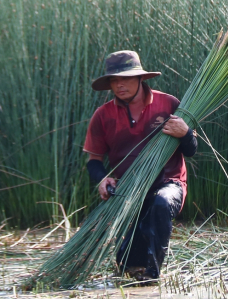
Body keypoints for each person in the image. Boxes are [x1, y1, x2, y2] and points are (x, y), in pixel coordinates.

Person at [83, 50, 198, 281]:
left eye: (125, 78)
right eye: (114, 80)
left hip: (169, 183)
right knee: (128, 265)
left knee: (160, 203)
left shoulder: (169, 104)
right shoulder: (103, 115)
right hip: (129, 191)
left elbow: (191, 150)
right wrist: (103, 180)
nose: (119, 85)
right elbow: (93, 161)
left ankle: (153, 276)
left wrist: (185, 133)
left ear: (140, 78)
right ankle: (135, 270)